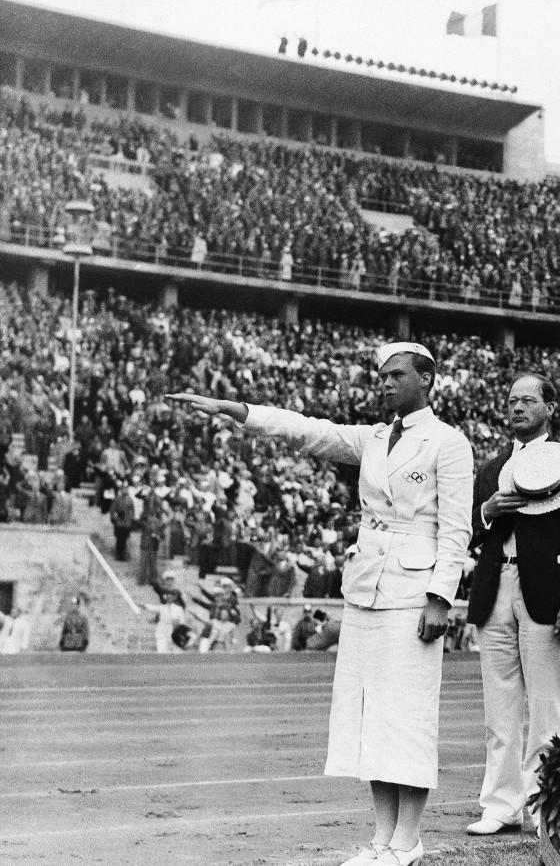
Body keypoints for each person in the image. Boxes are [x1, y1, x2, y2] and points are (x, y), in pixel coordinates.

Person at [169, 339, 472, 865]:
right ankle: (382, 839)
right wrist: (237, 411)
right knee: (367, 715)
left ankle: (409, 840)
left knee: (407, 717)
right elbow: (307, 429)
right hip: (365, 589)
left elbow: (456, 530)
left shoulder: (448, 443)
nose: (385, 382)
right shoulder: (373, 438)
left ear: (427, 379)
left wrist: (440, 598)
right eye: (381, 374)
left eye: (396, 374)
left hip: (412, 593)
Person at [465, 372, 560, 835]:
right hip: (495, 585)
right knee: (498, 707)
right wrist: (489, 510)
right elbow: (469, 526)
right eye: (511, 400)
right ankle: (502, 804)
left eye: (527, 400)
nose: (516, 407)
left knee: (547, 705)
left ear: (550, 409)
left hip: (546, 589)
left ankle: (548, 803)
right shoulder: (491, 468)